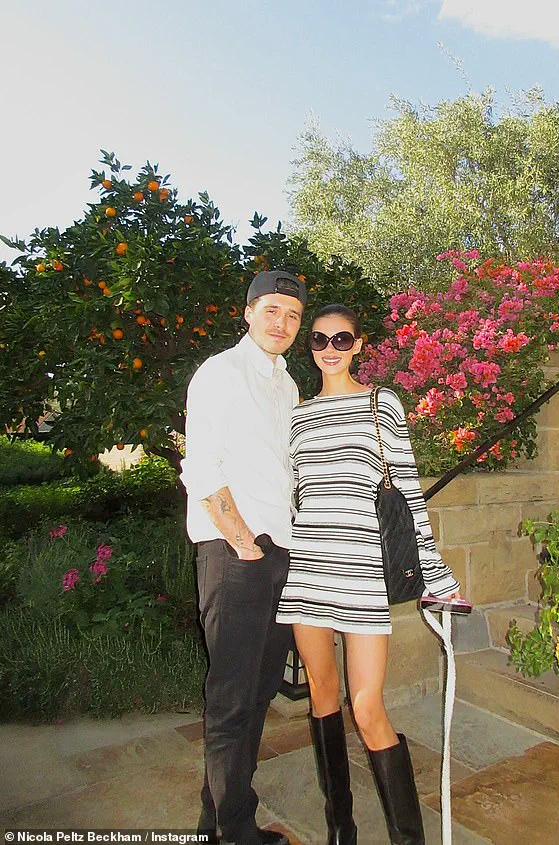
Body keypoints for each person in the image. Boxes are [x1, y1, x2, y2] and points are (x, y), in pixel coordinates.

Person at [276, 304, 462, 845]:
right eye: (319, 340)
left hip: (362, 574)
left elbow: (407, 494)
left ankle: (409, 838)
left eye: (341, 339)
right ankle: (341, 828)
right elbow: (293, 495)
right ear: (309, 346)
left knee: (367, 707)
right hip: (309, 569)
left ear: (358, 345)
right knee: (321, 694)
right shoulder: (298, 415)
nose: (329, 349)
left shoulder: (382, 404)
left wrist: (435, 572)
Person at [180, 270, 307, 845]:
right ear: (249, 311)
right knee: (231, 699)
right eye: (272, 310)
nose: (282, 323)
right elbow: (202, 466)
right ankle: (235, 832)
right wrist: (242, 541)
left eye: (292, 315)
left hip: (279, 553)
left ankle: (218, 821)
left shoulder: (287, 385)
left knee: (257, 694)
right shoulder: (221, 372)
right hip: (236, 553)